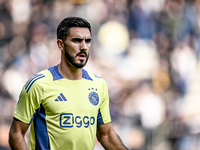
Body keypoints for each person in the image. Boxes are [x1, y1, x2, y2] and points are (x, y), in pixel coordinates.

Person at [8, 17, 128, 150]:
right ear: (61, 44)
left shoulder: (99, 85)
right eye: (76, 40)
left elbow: (106, 134)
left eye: (87, 41)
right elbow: (16, 133)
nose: (83, 47)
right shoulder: (39, 84)